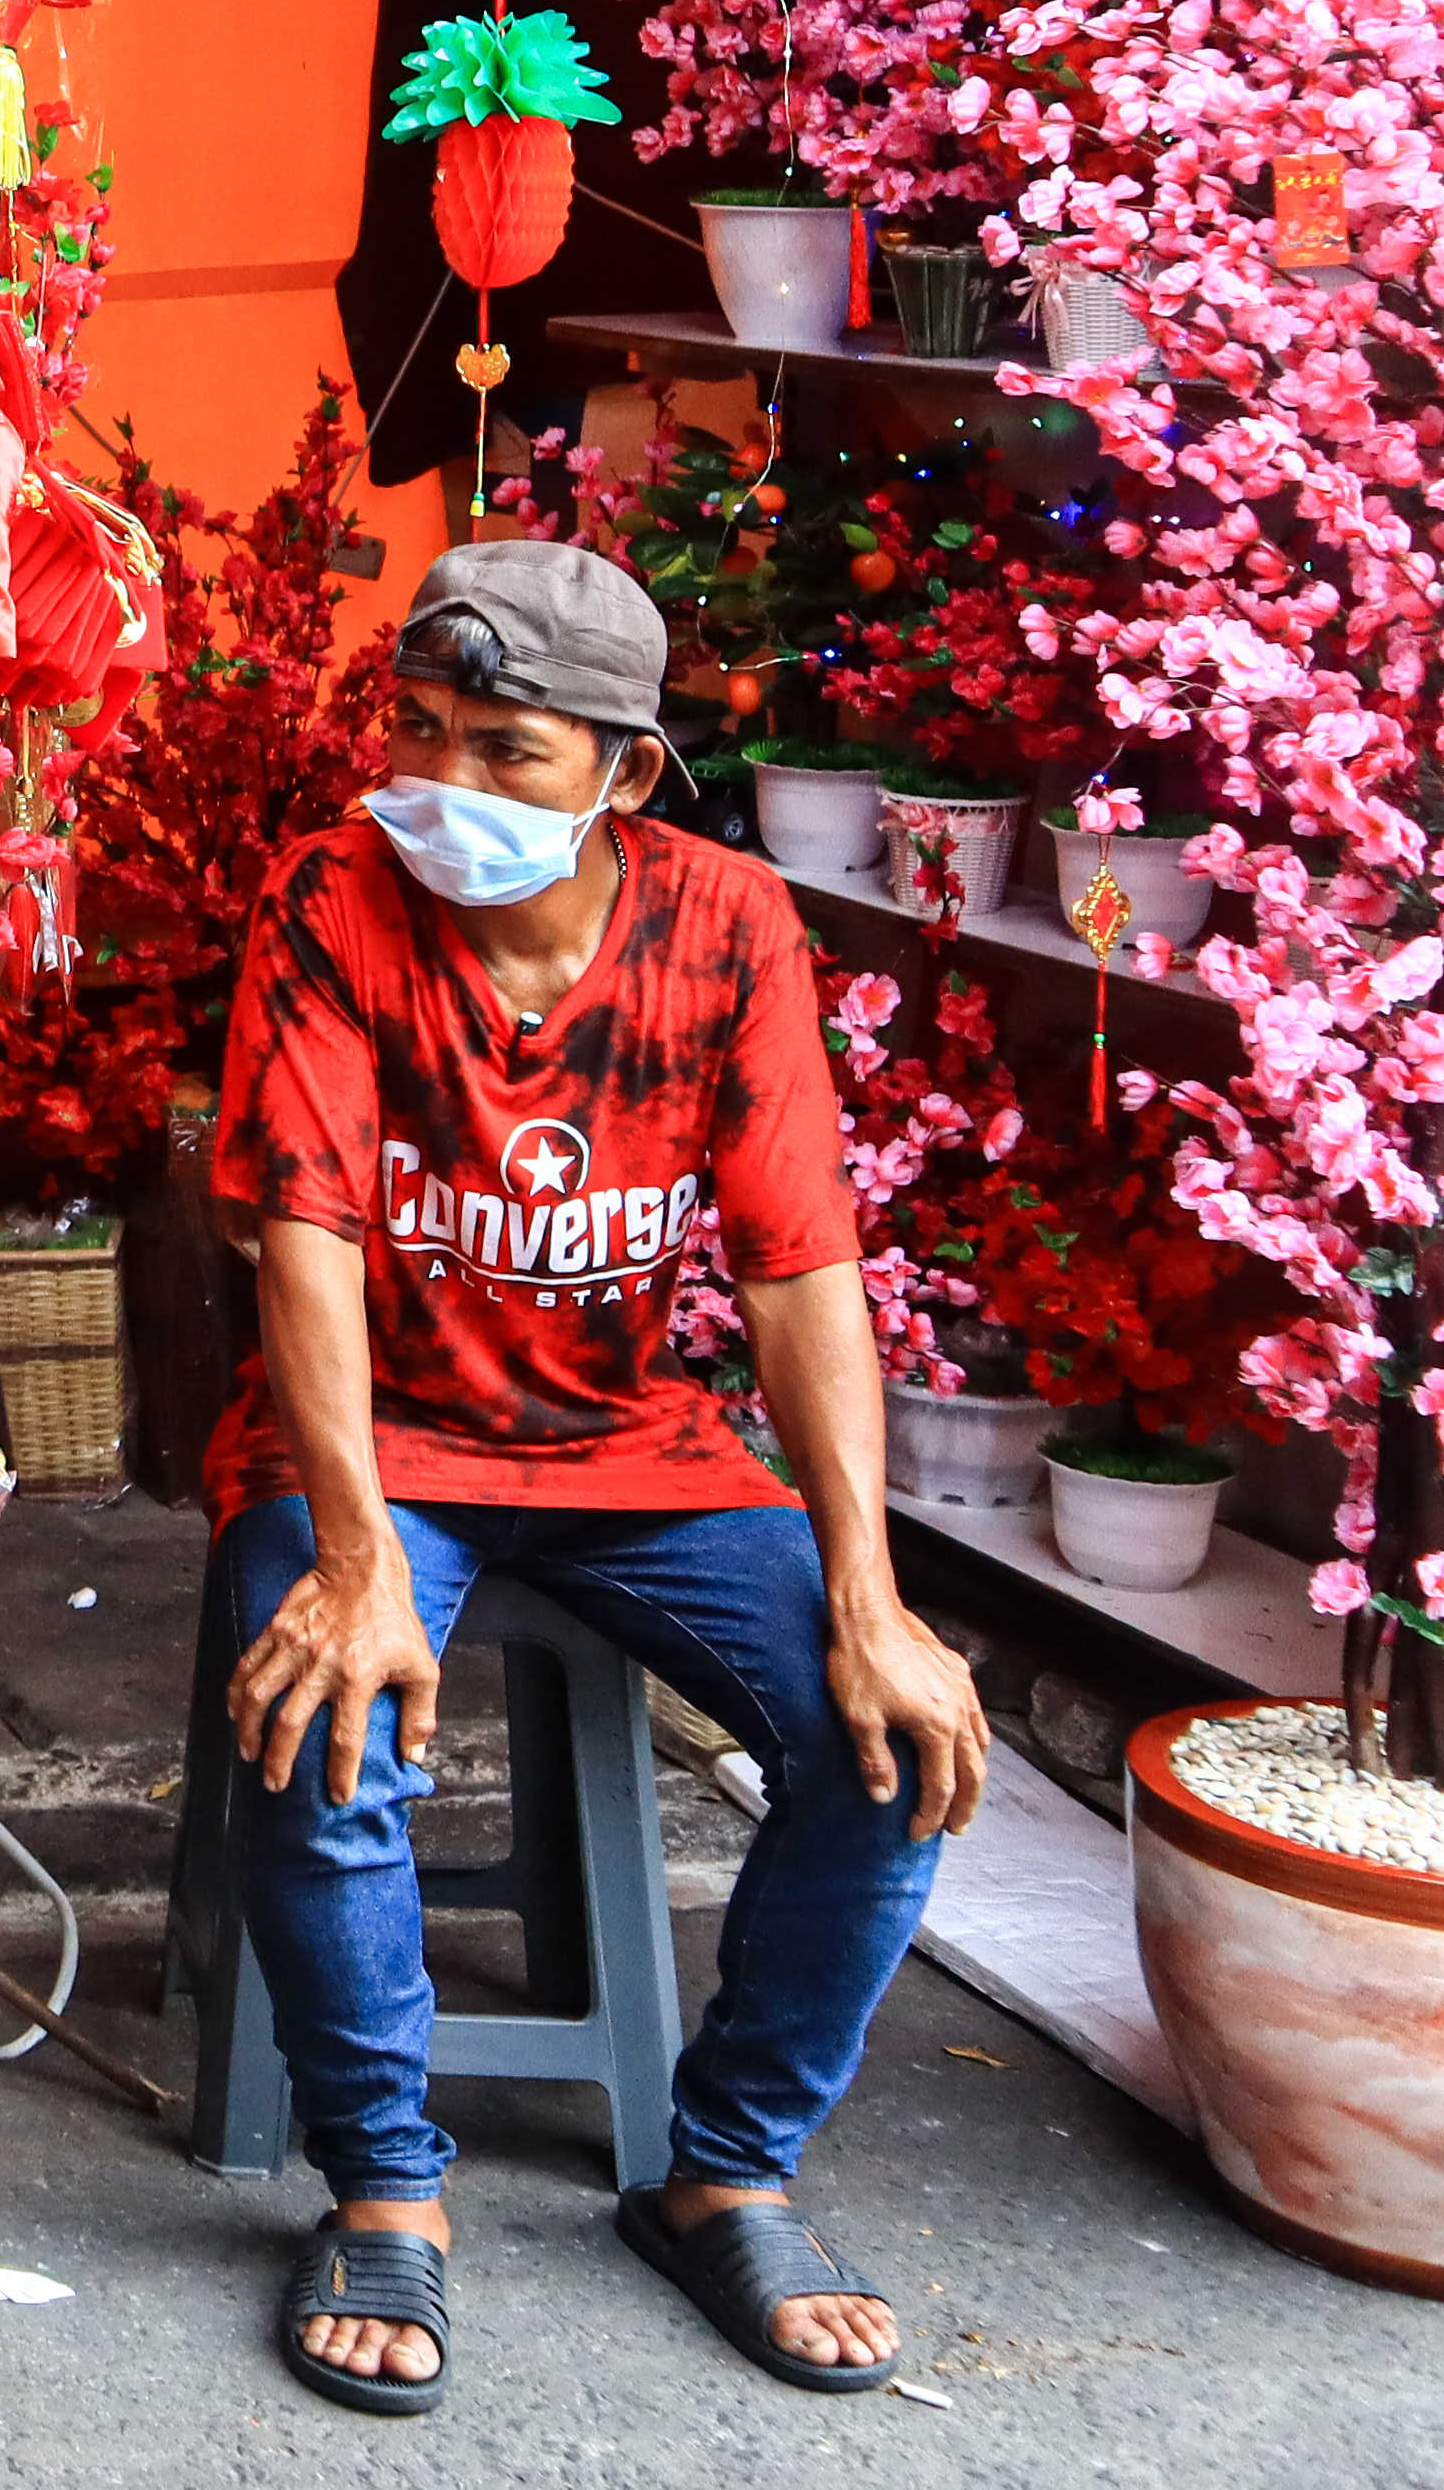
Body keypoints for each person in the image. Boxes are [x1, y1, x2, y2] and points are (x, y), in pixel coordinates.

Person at [204, 538, 990, 2417]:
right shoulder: (332, 895)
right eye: (417, 734)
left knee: (888, 1745)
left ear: (625, 773)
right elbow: (300, 1231)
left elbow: (800, 1270)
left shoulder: (727, 930)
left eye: (505, 750)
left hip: (634, 1442)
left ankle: (725, 2169)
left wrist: (874, 1603)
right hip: (371, 1437)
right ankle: (388, 2188)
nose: (444, 789)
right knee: (323, 1715)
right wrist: (356, 1551)